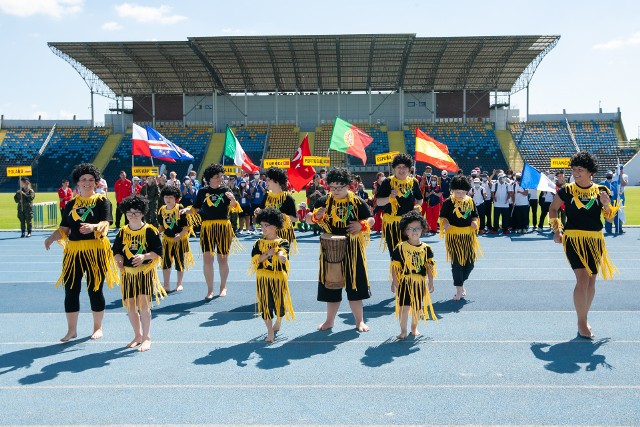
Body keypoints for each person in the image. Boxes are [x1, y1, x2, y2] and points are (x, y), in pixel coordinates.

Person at [44, 163, 119, 342]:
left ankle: (97, 327)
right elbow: (64, 228)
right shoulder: (70, 204)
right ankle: (71, 330)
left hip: (96, 250)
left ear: (96, 182)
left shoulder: (102, 201)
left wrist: (94, 227)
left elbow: (107, 224)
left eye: (91, 180)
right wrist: (52, 237)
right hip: (74, 252)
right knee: (71, 290)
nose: (87, 183)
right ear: (77, 182)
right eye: (83, 179)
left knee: (95, 289)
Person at [549, 151, 619, 340]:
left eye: (580, 169)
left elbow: (610, 218)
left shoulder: (602, 190)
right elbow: (553, 209)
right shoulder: (567, 190)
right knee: (582, 279)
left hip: (595, 240)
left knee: (591, 281)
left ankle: (584, 317)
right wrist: (557, 231)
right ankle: (581, 322)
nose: (576, 172)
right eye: (574, 169)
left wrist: (606, 205)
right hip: (573, 239)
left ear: (590, 172)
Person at [306, 167, 374, 332]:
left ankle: (359, 321)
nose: (336, 190)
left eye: (340, 187)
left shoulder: (357, 201)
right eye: (333, 187)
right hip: (330, 249)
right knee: (331, 286)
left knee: (355, 286)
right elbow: (308, 218)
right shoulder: (323, 201)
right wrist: (316, 217)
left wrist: (360, 225)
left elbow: (371, 219)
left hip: (353, 248)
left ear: (348, 186)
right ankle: (329, 321)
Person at [180, 163, 243, 299]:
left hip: (223, 227)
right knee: (207, 258)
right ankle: (210, 290)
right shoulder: (203, 191)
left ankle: (223, 286)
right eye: (217, 176)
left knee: (222, 258)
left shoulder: (226, 190)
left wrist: (232, 200)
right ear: (210, 178)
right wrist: (186, 210)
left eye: (221, 176)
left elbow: (234, 207)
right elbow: (195, 208)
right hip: (207, 227)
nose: (220, 178)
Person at [112, 194, 165, 352]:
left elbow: (158, 251)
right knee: (130, 306)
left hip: (144, 273)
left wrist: (144, 256)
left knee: (143, 304)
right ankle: (137, 335)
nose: (132, 215)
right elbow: (116, 250)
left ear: (143, 213)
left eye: (136, 212)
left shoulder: (150, 231)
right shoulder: (122, 231)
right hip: (128, 274)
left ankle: (147, 337)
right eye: (129, 212)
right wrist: (119, 260)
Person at [248, 207, 293, 343]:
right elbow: (256, 260)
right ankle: (269, 331)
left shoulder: (283, 242)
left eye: (266, 225)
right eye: (262, 225)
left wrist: (280, 255)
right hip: (263, 277)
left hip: (278, 277)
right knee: (266, 305)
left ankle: (278, 320)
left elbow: (283, 253)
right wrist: (268, 253)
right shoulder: (258, 243)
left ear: (275, 226)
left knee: (279, 304)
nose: (263, 228)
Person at [390, 211, 437, 340]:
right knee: (404, 308)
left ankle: (414, 328)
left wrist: (431, 281)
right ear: (405, 231)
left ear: (422, 229)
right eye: (410, 229)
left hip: (419, 282)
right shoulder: (400, 247)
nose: (414, 231)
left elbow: (429, 266)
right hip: (405, 281)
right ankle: (403, 330)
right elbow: (395, 266)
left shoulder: (427, 248)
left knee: (417, 307)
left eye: (417, 228)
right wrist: (395, 281)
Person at [439, 175, 482, 301]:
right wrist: (445, 223)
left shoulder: (470, 201)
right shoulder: (448, 202)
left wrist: (475, 222)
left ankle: (460, 283)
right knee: (457, 263)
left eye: (463, 192)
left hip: (468, 237)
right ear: (453, 190)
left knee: (470, 264)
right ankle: (458, 289)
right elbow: (443, 217)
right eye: (458, 192)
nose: (460, 194)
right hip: (454, 237)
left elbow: (475, 215)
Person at [375, 153, 423, 255]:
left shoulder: (414, 182)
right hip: (392, 224)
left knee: (410, 253)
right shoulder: (388, 182)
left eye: (404, 167)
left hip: (409, 224)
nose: (401, 170)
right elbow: (378, 202)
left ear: (409, 169)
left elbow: (420, 199)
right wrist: (389, 198)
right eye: (399, 167)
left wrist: (418, 206)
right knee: (395, 255)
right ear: (394, 168)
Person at [157, 185, 194, 293]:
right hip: (167, 241)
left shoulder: (180, 208)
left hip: (180, 241)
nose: (168, 200)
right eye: (166, 197)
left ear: (175, 198)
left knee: (179, 262)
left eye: (171, 197)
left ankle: (179, 284)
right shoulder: (162, 210)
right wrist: (157, 232)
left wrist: (181, 234)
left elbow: (187, 226)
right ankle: (166, 285)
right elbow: (162, 225)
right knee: (165, 263)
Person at [254, 167, 298, 253]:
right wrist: (258, 211)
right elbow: (262, 209)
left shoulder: (288, 198)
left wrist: (280, 216)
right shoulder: (267, 196)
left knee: (280, 262)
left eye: (268, 180)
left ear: (277, 181)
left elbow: (295, 218)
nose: (266, 182)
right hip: (268, 235)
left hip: (283, 236)